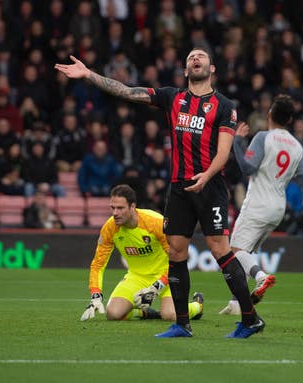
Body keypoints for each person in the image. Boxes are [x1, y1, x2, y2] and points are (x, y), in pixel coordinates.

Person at [56, 47, 263, 338]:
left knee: (219, 250)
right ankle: (182, 323)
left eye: (201, 56)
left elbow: (225, 151)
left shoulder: (224, 106)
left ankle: (250, 318)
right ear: (185, 70)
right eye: (191, 57)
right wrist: (89, 75)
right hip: (179, 188)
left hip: (210, 186)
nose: (195, 58)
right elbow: (127, 92)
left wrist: (207, 175)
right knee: (176, 252)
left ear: (212, 68)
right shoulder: (172, 97)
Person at [219, 95, 303, 315]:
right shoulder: (297, 147)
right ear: (290, 120)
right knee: (245, 253)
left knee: (234, 252)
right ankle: (237, 304)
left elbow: (247, 169)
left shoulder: (263, 137)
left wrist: (237, 141)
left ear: (270, 114)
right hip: (277, 208)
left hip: (257, 204)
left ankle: (261, 277)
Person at [79, 184, 204, 322]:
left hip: (165, 276)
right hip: (136, 277)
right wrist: (96, 294)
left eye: (120, 208)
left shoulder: (155, 222)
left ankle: (197, 306)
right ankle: (144, 313)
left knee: (170, 315)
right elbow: (98, 264)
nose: (115, 213)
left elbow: (176, 259)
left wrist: (157, 286)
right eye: (112, 208)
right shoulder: (110, 228)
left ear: (132, 207)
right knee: (112, 314)